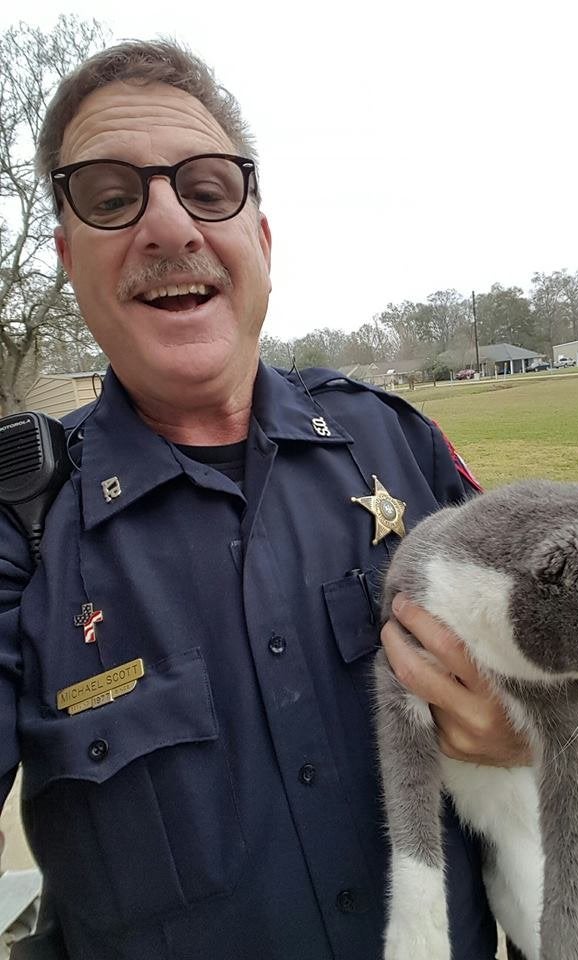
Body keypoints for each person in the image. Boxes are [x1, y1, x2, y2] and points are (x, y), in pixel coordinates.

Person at [0, 41, 528, 960]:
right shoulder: (20, 520)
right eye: (112, 197)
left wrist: (529, 732)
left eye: (208, 189)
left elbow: (569, 645)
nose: (169, 227)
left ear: (264, 242)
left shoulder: (396, 443)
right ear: (69, 262)